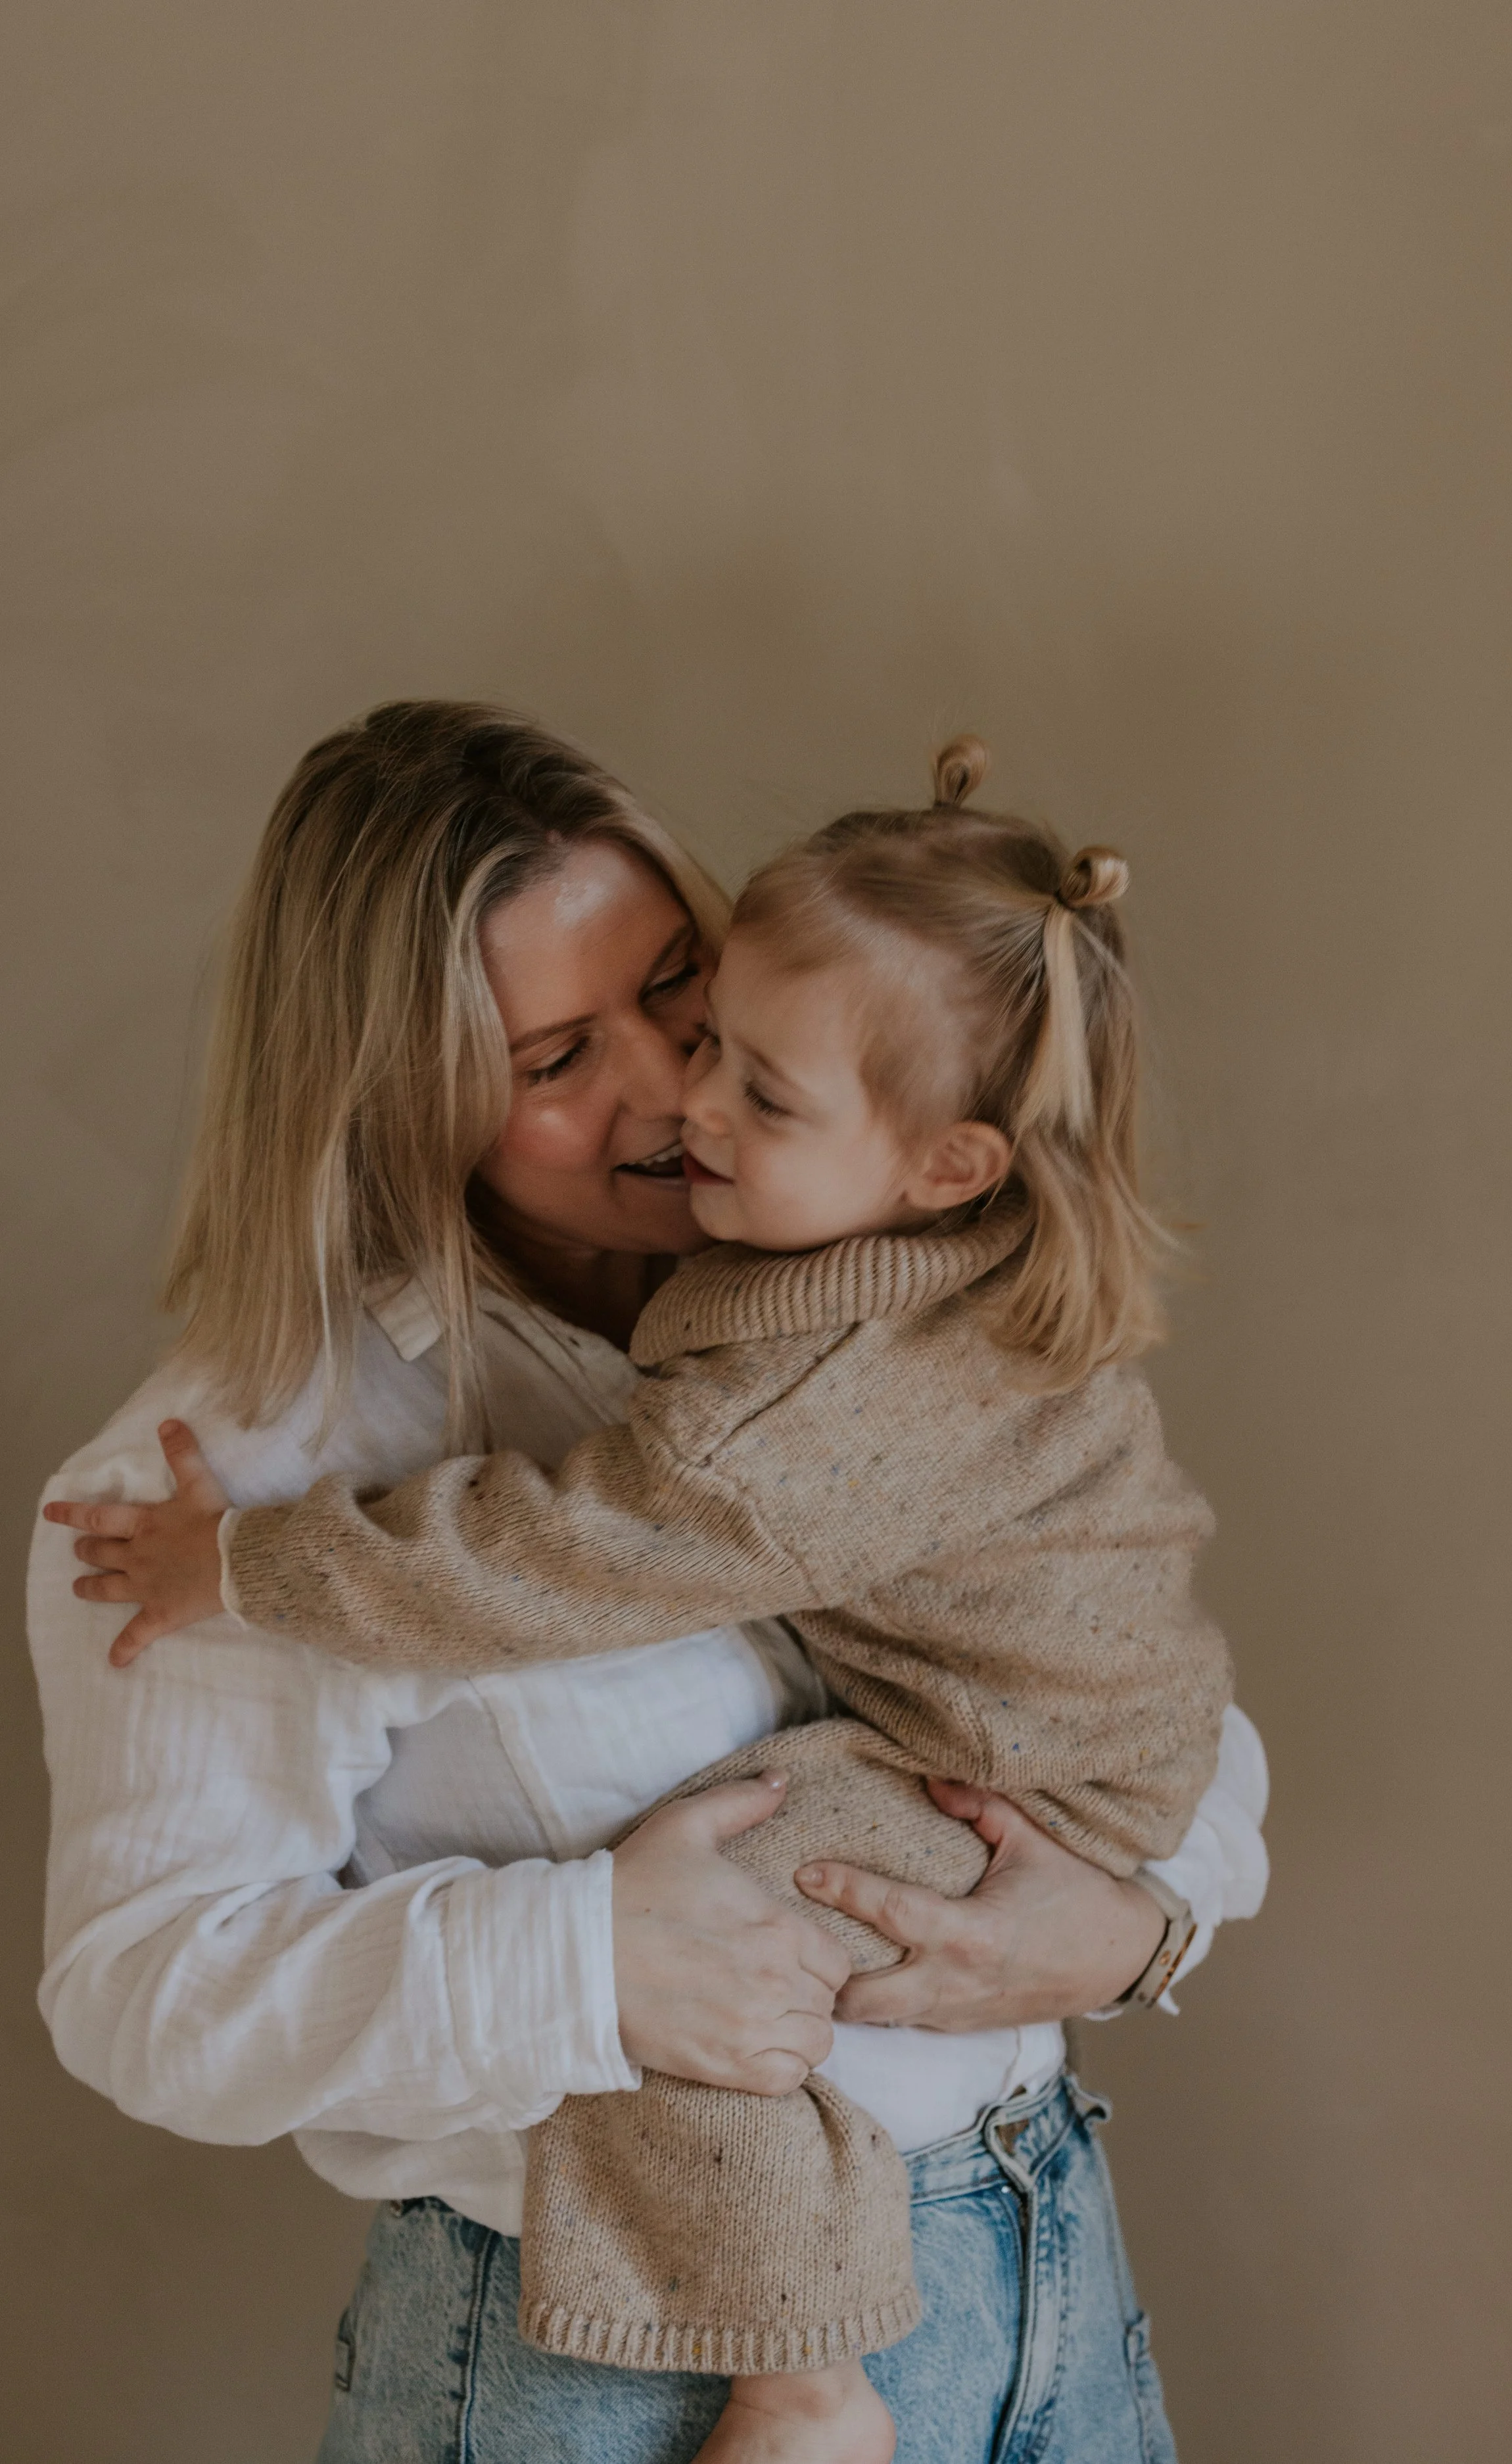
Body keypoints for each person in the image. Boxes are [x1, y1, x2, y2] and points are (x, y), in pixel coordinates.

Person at [34, 702, 1269, 2464]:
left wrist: (1138, 1920)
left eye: (680, 979)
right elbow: (141, 1995)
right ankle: (801, 2378)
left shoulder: (880, 1295)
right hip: (625, 2379)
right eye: (554, 1059)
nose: (675, 1086)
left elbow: (1118, 1659)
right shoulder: (231, 1466)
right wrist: (583, 1956)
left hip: (1037, 2267)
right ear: (394, 1094)